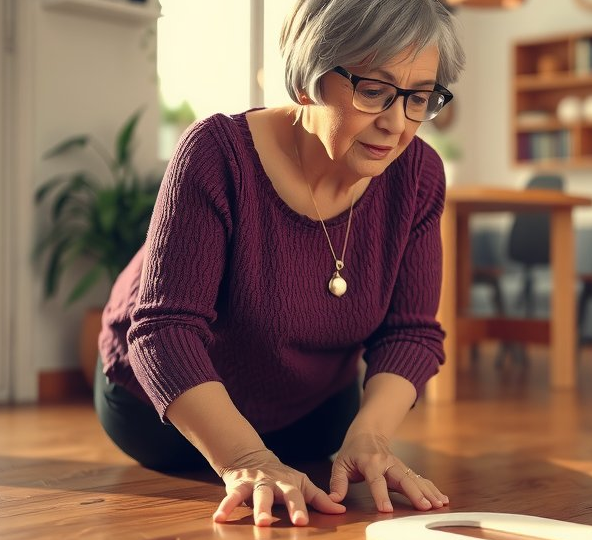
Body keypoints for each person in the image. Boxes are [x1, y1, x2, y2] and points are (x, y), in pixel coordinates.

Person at [93, 0, 465, 528]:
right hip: (169, 414)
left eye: (419, 98)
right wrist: (247, 460)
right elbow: (164, 332)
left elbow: (410, 333)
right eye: (374, 91)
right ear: (308, 78)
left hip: (310, 414)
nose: (396, 124)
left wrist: (370, 436)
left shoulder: (418, 174)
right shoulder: (216, 154)